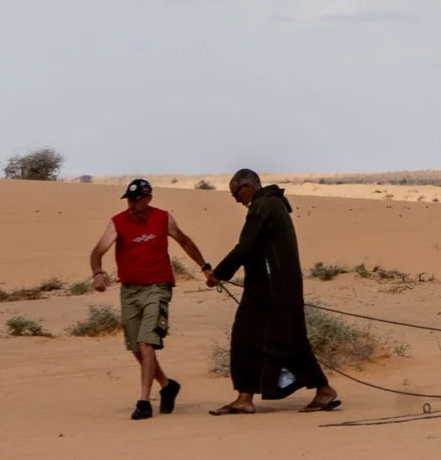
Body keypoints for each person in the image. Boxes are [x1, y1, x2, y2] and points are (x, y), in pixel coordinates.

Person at [208, 169, 339, 415]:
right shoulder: (270, 204)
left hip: (272, 287)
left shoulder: (263, 206)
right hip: (270, 285)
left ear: (248, 187)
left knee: (274, 339)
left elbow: (245, 247)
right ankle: (246, 397)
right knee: (256, 337)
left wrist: (219, 273)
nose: (236, 199)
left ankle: (322, 390)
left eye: (236, 193)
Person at [87, 177, 214, 419]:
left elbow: (185, 241)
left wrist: (205, 267)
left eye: (137, 200)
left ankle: (144, 401)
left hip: (158, 287)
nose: (132, 205)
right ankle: (167, 385)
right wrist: (97, 273)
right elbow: (97, 252)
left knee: (146, 342)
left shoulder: (163, 218)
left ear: (148, 198)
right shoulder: (117, 222)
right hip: (129, 291)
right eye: (130, 200)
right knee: (136, 347)